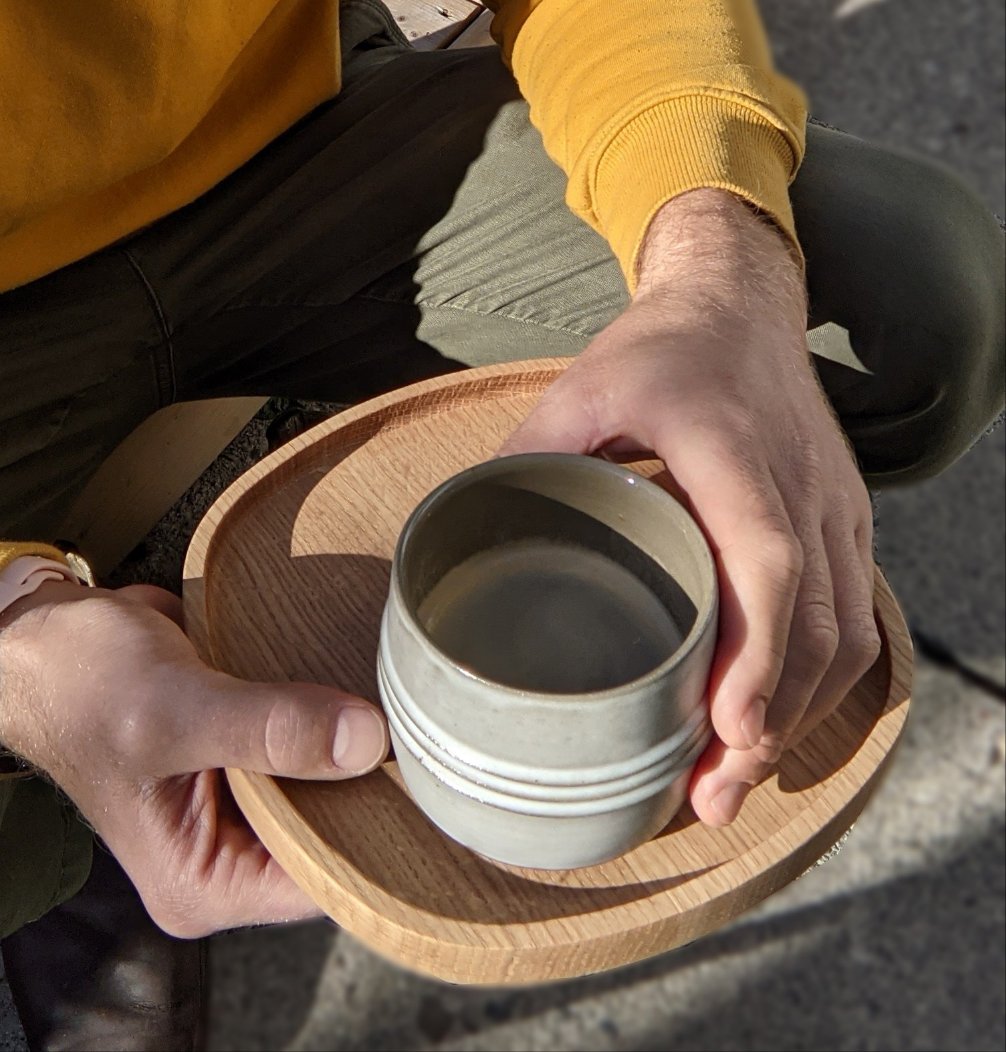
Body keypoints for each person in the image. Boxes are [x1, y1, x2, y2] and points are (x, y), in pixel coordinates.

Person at [1, 0, 1003, 1047]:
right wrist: (15, 640)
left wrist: (717, 275)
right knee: (14, 833)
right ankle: (82, 818)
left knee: (915, 304)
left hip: (274, 125)